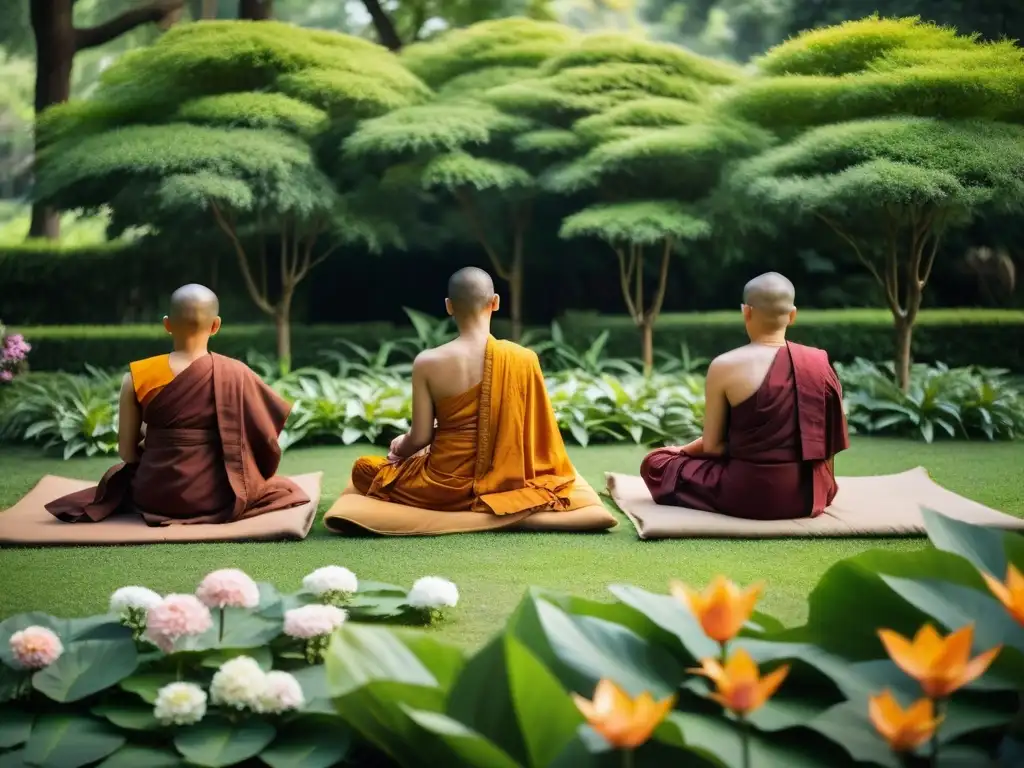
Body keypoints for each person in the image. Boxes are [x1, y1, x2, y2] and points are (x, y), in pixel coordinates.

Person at [45, 284, 309, 525]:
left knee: (118, 481)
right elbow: (265, 434)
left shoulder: (137, 376)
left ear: (167, 324)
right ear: (216, 325)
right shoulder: (236, 373)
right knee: (282, 489)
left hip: (153, 495)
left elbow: (127, 453)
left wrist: (161, 444)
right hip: (216, 495)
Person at [349, 267, 579, 515]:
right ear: (496, 302)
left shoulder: (428, 362)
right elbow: (538, 433)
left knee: (364, 468)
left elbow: (420, 438)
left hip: (443, 487)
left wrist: (399, 447)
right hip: (506, 483)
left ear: (449, 306)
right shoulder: (524, 358)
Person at [640, 272, 849, 520]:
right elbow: (829, 444)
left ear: (746, 312)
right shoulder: (818, 363)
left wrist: (680, 450)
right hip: (809, 496)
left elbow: (713, 447)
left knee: (655, 463)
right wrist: (824, 488)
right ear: (792, 315)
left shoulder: (725, 365)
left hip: (745, 495)